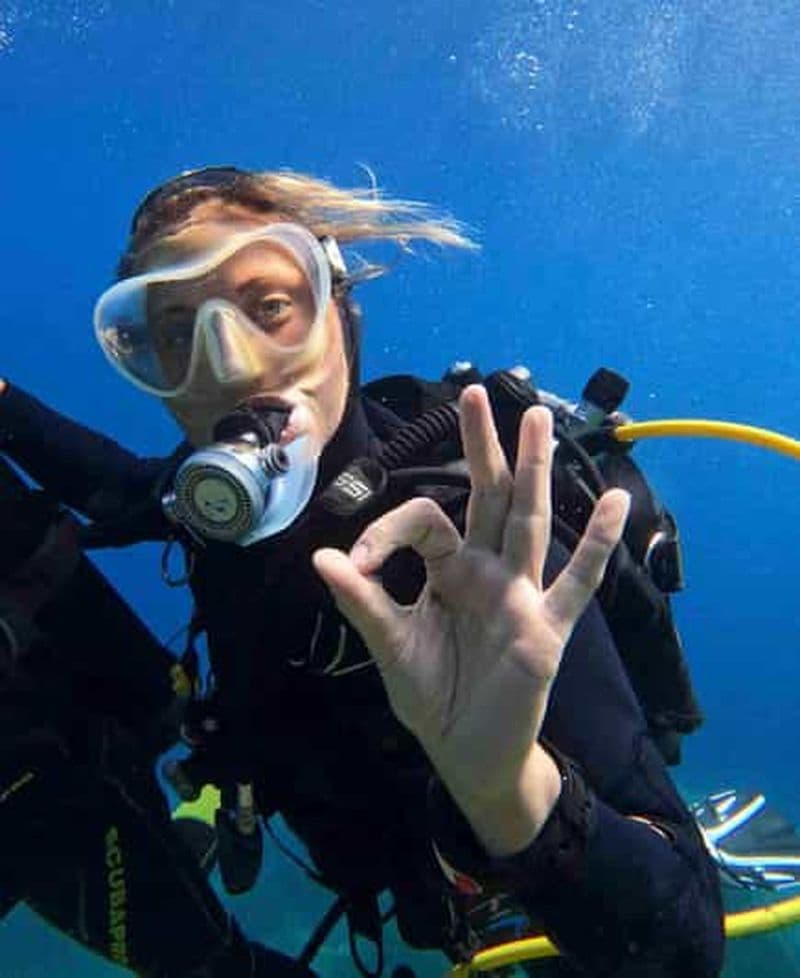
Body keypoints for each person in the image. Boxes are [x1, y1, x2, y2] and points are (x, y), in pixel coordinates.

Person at [0, 166, 725, 977]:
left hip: (527, 912)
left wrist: (511, 793)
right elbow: (113, 485)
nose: (229, 365)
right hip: (389, 891)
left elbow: (689, 946)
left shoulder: (470, 549)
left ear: (339, 314)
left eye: (269, 307)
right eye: (176, 333)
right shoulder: (206, 508)